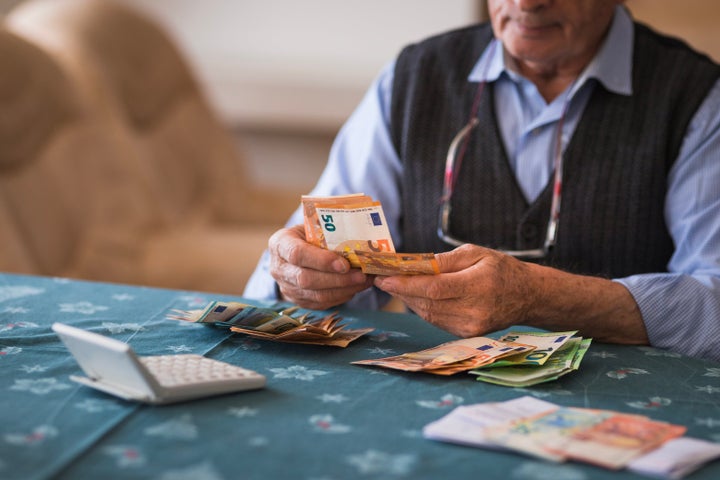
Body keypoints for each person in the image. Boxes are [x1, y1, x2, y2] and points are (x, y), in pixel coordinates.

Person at [244, 0, 720, 362]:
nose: (528, 2)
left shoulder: (696, 98)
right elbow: (313, 252)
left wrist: (539, 297)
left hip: (620, 395)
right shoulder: (416, 78)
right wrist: (297, 277)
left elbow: (714, 299)